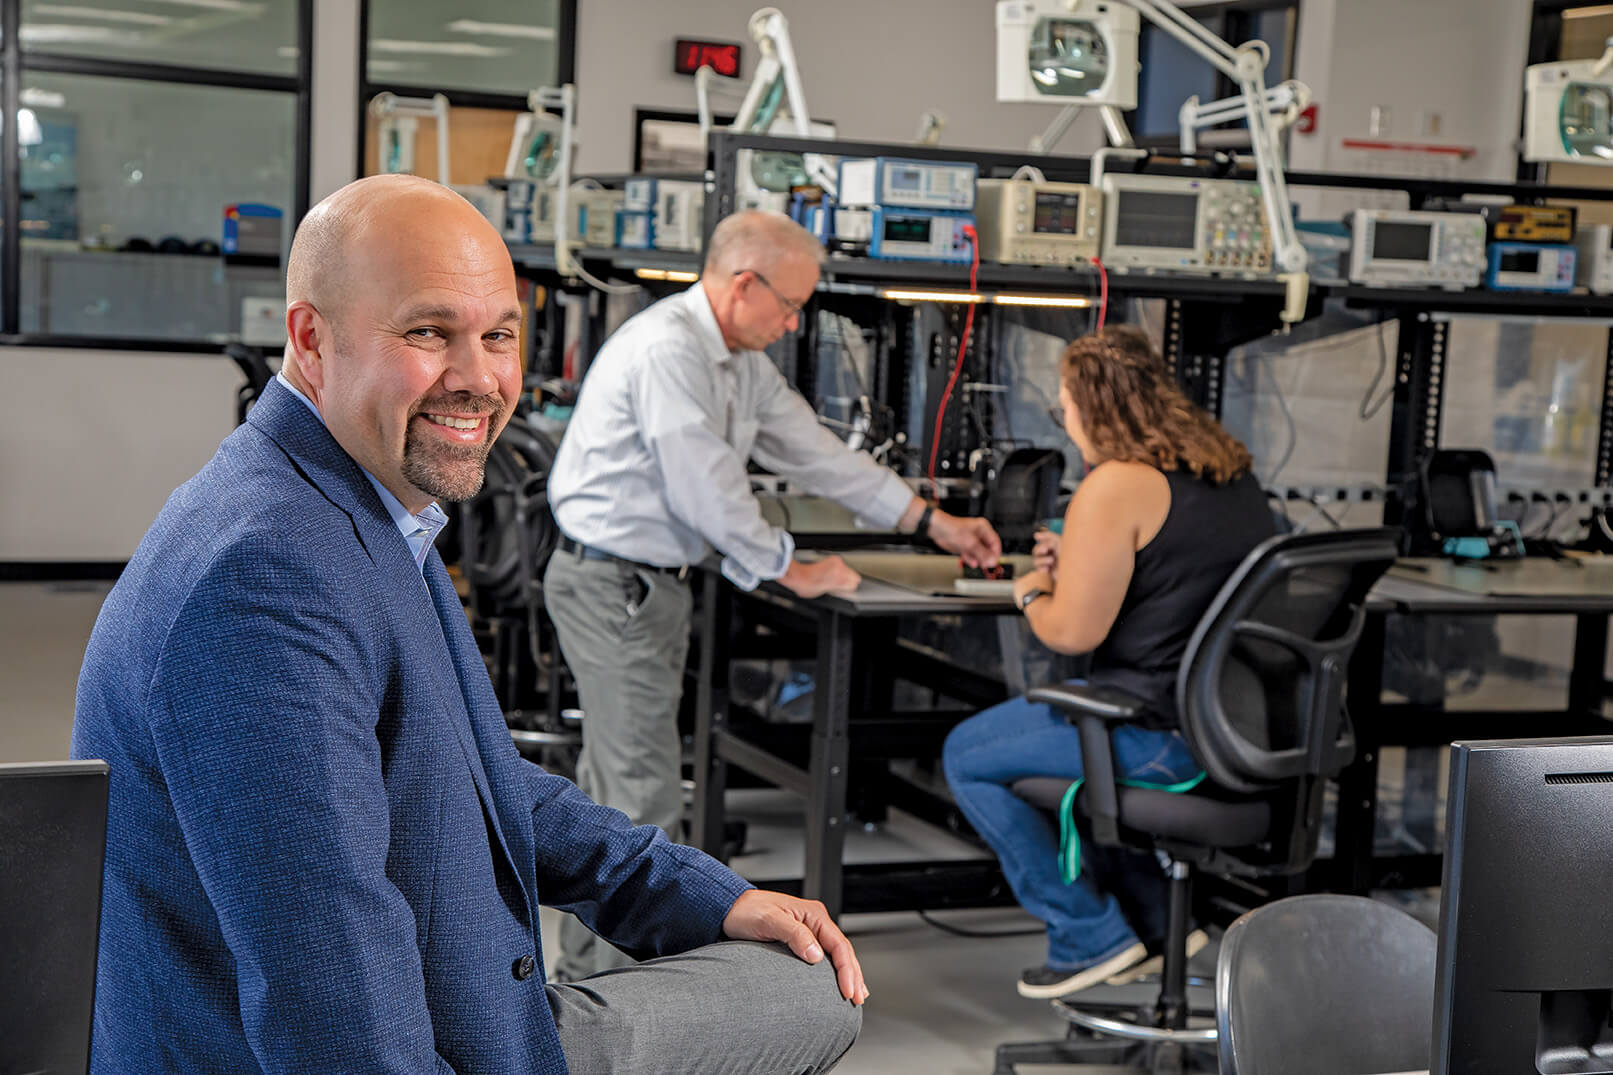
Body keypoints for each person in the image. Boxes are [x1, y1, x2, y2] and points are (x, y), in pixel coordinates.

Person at [71, 174, 865, 1075]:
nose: (480, 379)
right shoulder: (267, 574)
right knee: (812, 998)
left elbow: (474, 771)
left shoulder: (358, 507)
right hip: (377, 1043)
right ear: (311, 339)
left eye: (497, 336)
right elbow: (330, 1003)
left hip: (454, 997)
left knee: (793, 969)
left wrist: (702, 894)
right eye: (427, 332)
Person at [544, 208, 1003, 980]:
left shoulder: (739, 361)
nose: (794, 322)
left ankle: (595, 981)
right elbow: (707, 490)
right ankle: (600, 1000)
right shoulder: (670, 350)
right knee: (639, 789)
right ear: (742, 283)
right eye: (788, 304)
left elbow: (819, 455)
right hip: (613, 583)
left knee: (625, 783)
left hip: (647, 585)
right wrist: (790, 567)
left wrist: (933, 521)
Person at [942, 324, 1278, 1000]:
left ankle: (1085, 933)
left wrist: (1033, 588)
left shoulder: (1116, 483)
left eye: (1063, 403)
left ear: (1090, 405)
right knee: (1055, 753)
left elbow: (1069, 631)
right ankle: (1156, 919)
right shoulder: (1229, 473)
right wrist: (1082, 563)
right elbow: (1176, 586)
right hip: (1233, 731)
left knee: (966, 753)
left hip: (1155, 737)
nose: (1062, 419)